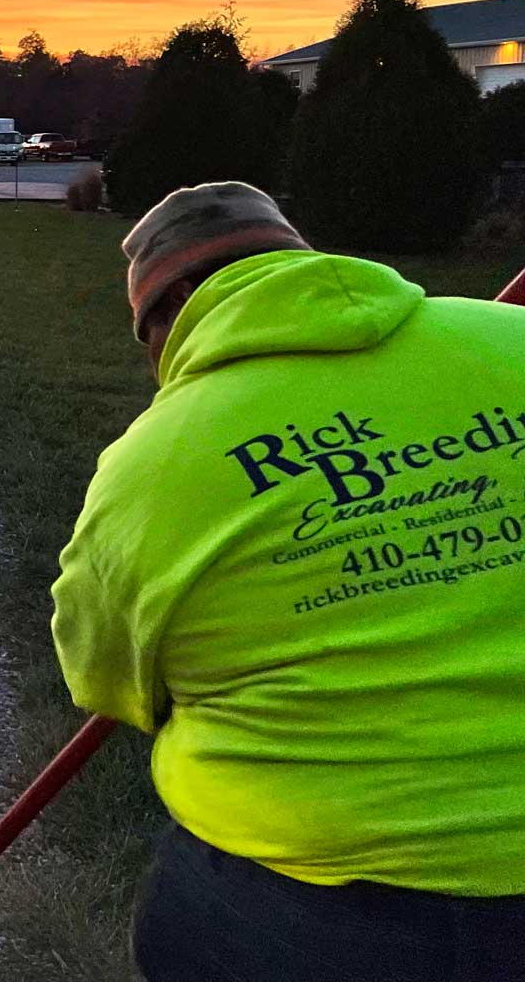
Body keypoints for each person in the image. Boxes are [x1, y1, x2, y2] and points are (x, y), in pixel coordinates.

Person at [52, 181, 525, 980]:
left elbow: (104, 680)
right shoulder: (510, 336)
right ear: (298, 258)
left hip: (311, 902)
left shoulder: (152, 464)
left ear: (164, 322)